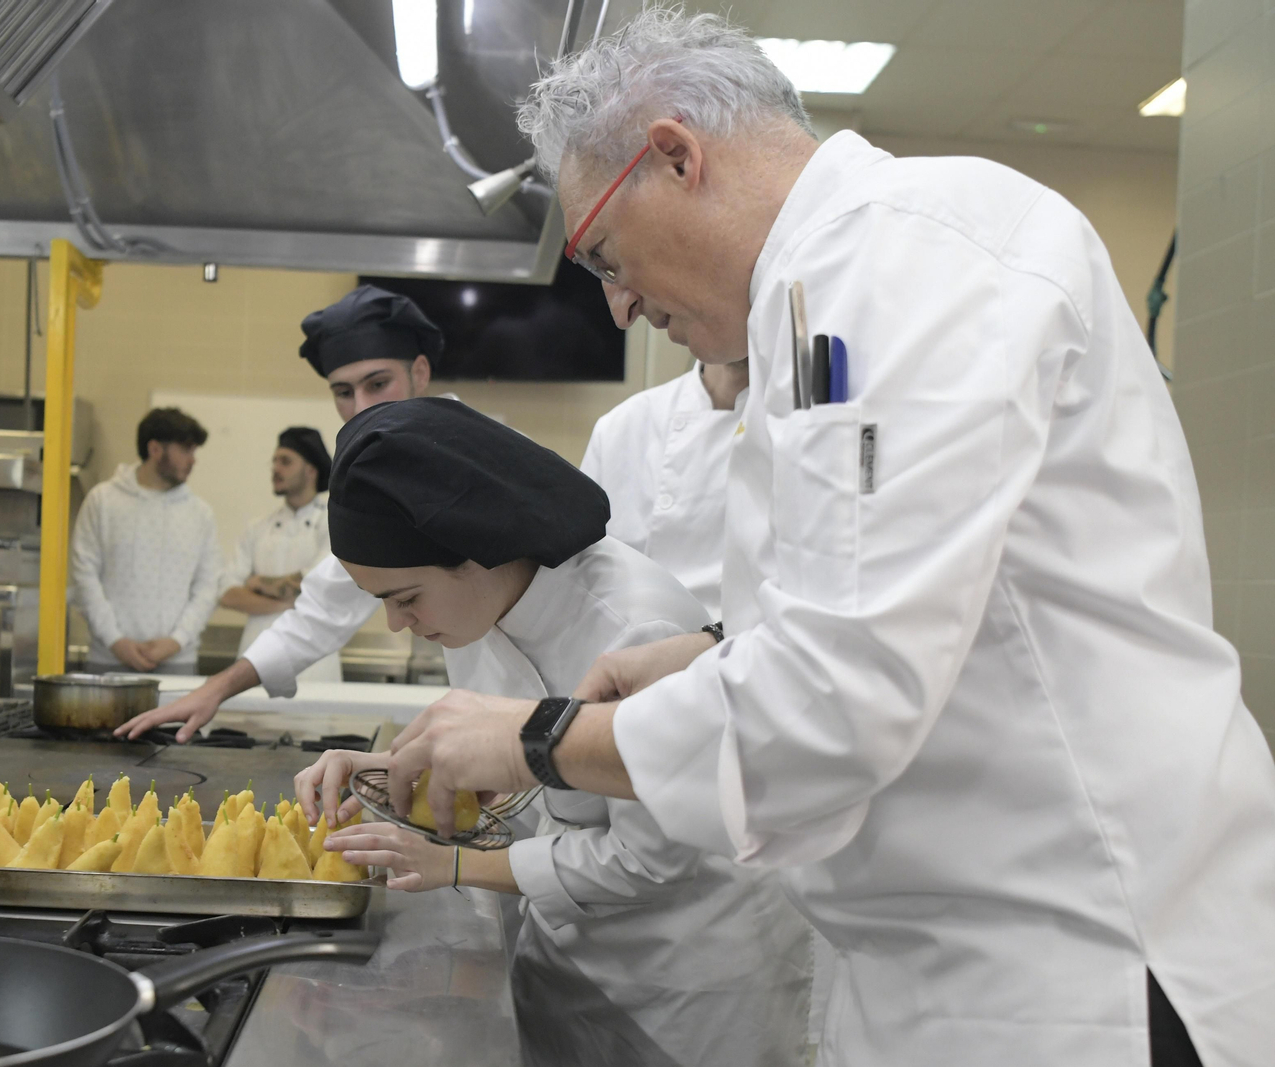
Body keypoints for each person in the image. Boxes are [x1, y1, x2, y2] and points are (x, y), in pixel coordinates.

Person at [377, 11, 1275, 1067]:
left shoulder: (899, 251)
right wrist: (719, 649)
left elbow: (837, 693)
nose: (616, 305)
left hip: (1069, 975)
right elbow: (914, 603)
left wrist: (537, 736)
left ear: (674, 155)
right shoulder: (816, 296)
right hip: (944, 972)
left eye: (606, 255)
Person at [295, 397, 810, 1067]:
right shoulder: (481, 609)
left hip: (687, 983)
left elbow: (650, 857)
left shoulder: (630, 625)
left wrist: (456, 865)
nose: (398, 624)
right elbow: (514, 769)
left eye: (405, 598)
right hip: (572, 955)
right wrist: (383, 767)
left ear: (474, 551)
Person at [114, 283, 446, 740]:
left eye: (377, 383)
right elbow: (322, 606)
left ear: (420, 372)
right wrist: (217, 689)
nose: (362, 408)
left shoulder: (468, 454)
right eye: (343, 391)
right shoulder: (385, 489)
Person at [581, 357, 747, 620]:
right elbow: (579, 579)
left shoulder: (799, 423)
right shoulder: (622, 426)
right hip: (619, 645)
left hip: (738, 652)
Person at [69, 407, 222, 675]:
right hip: (109, 660)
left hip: (177, 662)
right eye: (186, 450)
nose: (193, 460)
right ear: (155, 450)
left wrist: (177, 641)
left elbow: (208, 586)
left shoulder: (200, 513)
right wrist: (115, 641)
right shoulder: (103, 501)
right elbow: (84, 575)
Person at [219, 426, 342, 683]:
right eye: (274, 461)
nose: (275, 468)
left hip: (314, 663)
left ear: (311, 470)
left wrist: (254, 583)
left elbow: (316, 583)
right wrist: (286, 604)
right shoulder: (258, 528)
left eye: (285, 461)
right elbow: (226, 592)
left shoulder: (334, 522)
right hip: (254, 657)